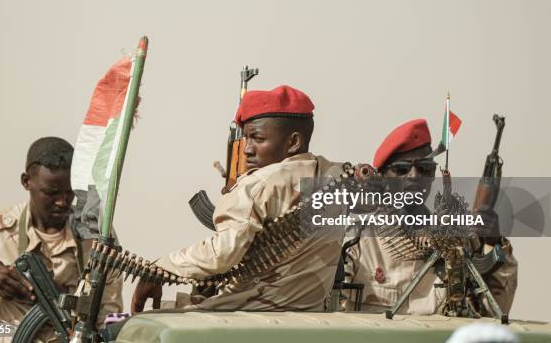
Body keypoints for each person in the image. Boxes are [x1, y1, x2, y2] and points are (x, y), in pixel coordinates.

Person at [131, 85, 345, 312]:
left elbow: (222, 254)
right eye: (246, 139)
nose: (247, 150)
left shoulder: (260, 184)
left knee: (130, 326)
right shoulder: (336, 179)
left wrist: (159, 269)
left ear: (293, 142)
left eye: (257, 138)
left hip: (246, 313)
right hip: (305, 315)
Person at [0, 137, 123, 339]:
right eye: (51, 193)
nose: (62, 202)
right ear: (26, 182)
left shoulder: (95, 237)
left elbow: (110, 313)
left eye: (69, 192)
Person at [343, 119, 518, 315]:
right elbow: (332, 309)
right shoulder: (357, 237)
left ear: (434, 173)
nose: (415, 175)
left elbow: (495, 311)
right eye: (402, 169)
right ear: (382, 176)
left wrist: (492, 242)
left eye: (425, 168)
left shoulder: (456, 239)